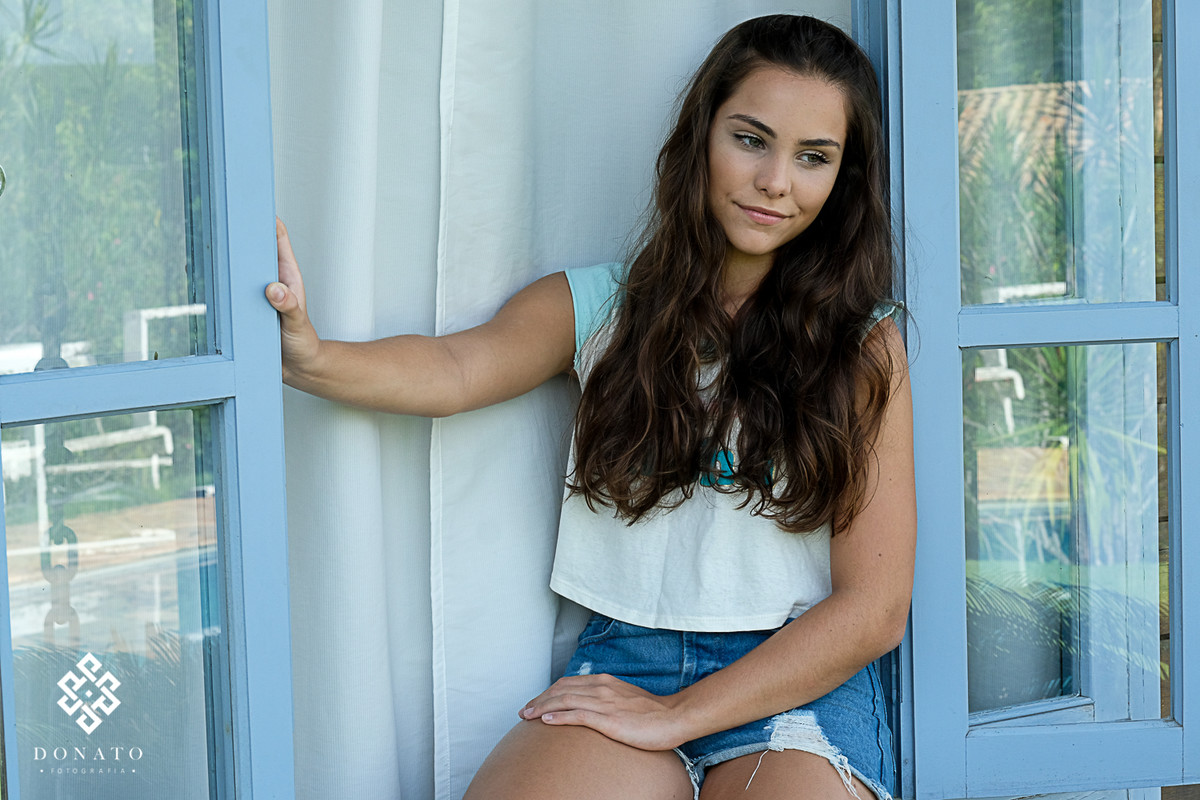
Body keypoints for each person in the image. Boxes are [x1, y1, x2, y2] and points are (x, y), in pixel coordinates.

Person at [267, 14, 915, 800]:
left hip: (797, 677)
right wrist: (311, 356)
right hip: (627, 657)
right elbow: (453, 367)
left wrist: (679, 715)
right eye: (751, 139)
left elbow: (875, 610)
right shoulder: (605, 306)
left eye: (814, 157)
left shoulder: (863, 342)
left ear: (842, 179)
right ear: (701, 136)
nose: (777, 180)